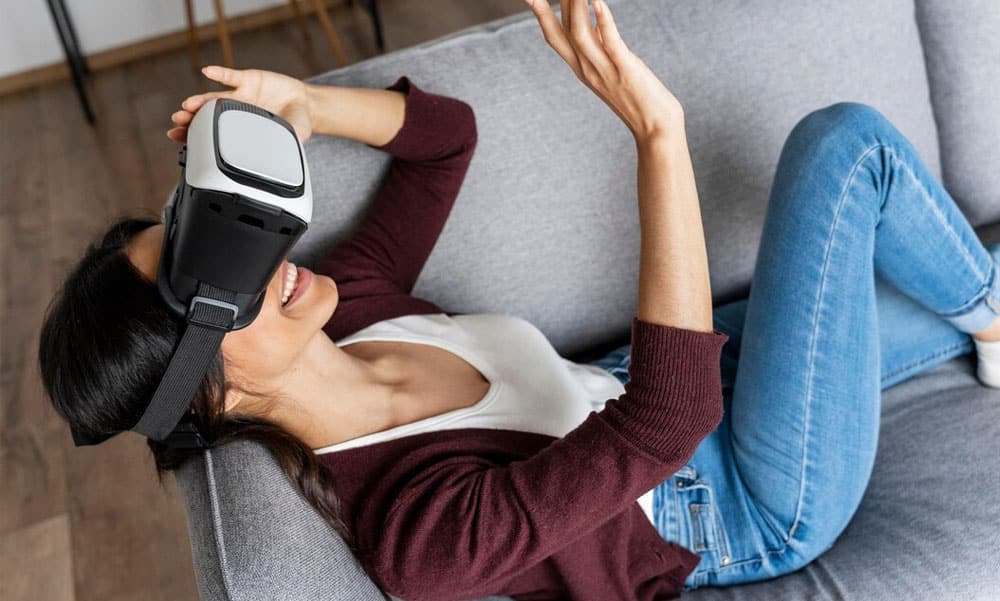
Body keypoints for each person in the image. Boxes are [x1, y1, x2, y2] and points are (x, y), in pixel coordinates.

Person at [37, 0, 1000, 598]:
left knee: (893, 255)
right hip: (738, 501)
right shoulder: (418, 538)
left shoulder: (352, 302)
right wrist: (657, 134)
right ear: (208, 391)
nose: (259, 256)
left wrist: (311, 106)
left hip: (690, 374)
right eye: (213, 277)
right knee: (845, 150)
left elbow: (446, 140)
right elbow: (670, 418)